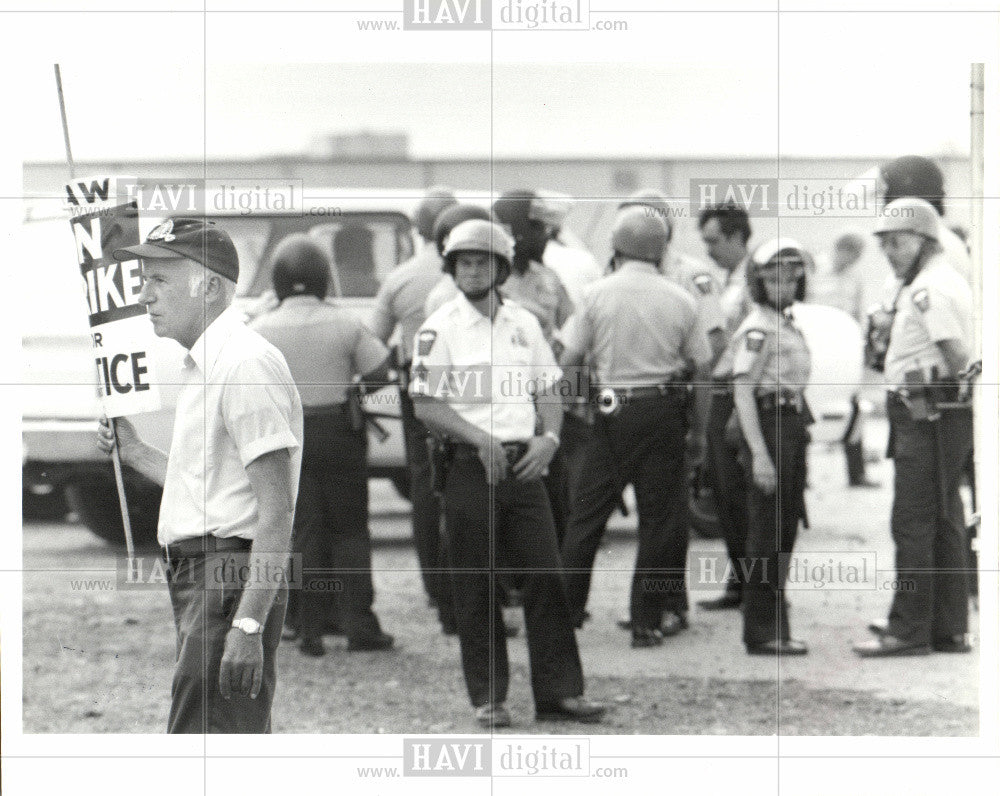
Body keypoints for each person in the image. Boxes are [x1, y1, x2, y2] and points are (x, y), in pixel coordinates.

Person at [98, 218, 303, 733]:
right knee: (218, 741)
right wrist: (136, 453)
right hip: (205, 577)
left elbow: (276, 512)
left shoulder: (243, 365)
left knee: (206, 747)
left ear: (209, 286)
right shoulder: (208, 364)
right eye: (144, 280)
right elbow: (212, 491)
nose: (145, 297)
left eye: (159, 280)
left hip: (226, 578)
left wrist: (249, 623)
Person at [410, 218, 605, 728]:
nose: (473, 271)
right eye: (464, 263)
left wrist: (551, 438)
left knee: (547, 577)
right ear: (452, 268)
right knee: (477, 585)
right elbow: (426, 406)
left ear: (500, 267)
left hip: (524, 465)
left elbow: (550, 388)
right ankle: (489, 697)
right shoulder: (439, 328)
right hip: (470, 468)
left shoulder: (524, 323)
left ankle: (561, 694)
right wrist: (479, 440)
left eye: (482, 262)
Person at [559, 207, 712, 647]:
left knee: (586, 518)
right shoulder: (681, 298)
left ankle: (566, 614)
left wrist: (571, 408)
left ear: (616, 249)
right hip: (663, 412)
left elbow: (570, 360)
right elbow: (701, 367)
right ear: (662, 251)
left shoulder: (595, 295)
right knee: (660, 522)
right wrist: (698, 432)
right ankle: (646, 621)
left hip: (610, 411)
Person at [252, 234, 394, 656]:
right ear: (323, 279)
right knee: (350, 531)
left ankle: (305, 628)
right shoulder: (346, 323)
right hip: (339, 431)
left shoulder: (261, 329)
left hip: (288, 438)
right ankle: (359, 626)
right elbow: (381, 372)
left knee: (302, 533)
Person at [854, 198, 975, 657]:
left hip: (929, 414)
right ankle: (947, 628)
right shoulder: (936, 282)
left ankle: (907, 631)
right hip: (936, 415)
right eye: (884, 244)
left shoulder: (929, 291)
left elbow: (957, 357)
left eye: (898, 243)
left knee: (913, 524)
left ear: (925, 241)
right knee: (944, 522)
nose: (890, 252)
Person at [369, 187, 458, 633]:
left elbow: (375, 341)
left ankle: (434, 587)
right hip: (471, 390)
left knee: (426, 483)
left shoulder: (401, 279)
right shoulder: (472, 274)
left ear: (420, 229)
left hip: (417, 389)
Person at [731, 239, 814, 656]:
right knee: (767, 533)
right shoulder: (758, 327)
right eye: (774, 277)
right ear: (759, 281)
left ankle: (775, 627)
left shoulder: (786, 323)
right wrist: (760, 453)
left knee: (783, 530)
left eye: (792, 276)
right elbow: (743, 389)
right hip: (771, 425)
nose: (785, 284)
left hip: (792, 425)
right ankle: (762, 630)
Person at [695, 202, 754, 611]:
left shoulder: (753, 282)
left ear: (736, 237)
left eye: (714, 241)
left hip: (737, 395)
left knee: (740, 496)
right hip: (722, 394)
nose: (708, 250)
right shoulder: (730, 281)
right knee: (726, 493)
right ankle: (740, 582)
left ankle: (753, 586)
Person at [809, 232, 877, 488]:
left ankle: (856, 473)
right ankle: (801, 476)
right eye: (853, 255)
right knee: (809, 407)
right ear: (841, 248)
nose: (854, 262)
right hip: (816, 351)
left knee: (854, 408)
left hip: (842, 352)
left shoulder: (855, 279)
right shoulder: (814, 270)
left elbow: (858, 315)